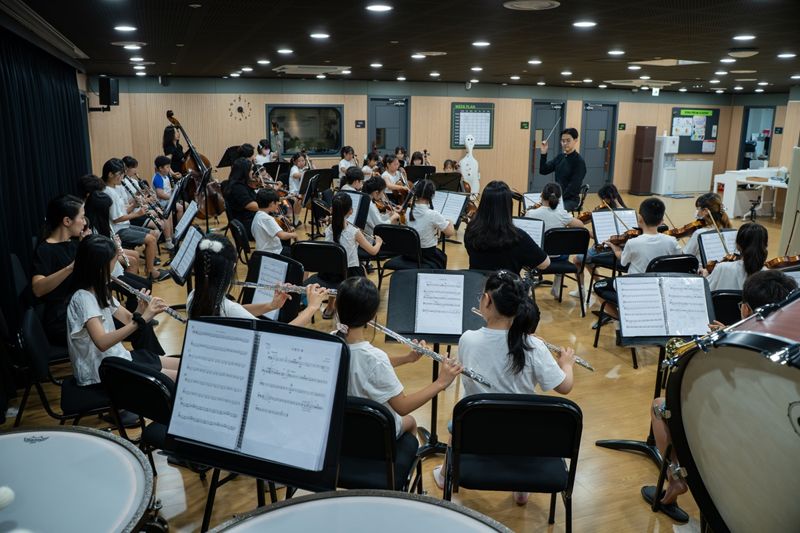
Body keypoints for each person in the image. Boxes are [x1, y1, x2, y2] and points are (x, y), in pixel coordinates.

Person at [645, 269, 798, 522]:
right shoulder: (789, 342)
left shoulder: (729, 350)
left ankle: (675, 476)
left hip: (732, 424)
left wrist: (721, 342)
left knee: (659, 405)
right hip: (772, 425)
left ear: (746, 310)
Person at [431, 270, 575, 504]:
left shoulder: (468, 339)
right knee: (513, 422)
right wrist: (566, 364)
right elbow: (565, 387)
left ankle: (444, 475)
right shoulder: (534, 346)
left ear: (487, 300)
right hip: (525, 434)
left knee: (456, 423)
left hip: (477, 431)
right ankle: (521, 484)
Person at [335, 276, 462, 438]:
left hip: (342, 427)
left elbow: (368, 366)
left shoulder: (332, 340)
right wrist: (441, 382)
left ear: (337, 306)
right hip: (373, 432)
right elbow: (402, 407)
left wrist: (407, 358)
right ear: (373, 315)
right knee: (411, 422)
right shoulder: (375, 358)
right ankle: (396, 455)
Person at [66, 235, 180, 387]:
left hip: (118, 357)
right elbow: (102, 342)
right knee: (180, 380)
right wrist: (141, 320)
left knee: (184, 366)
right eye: (114, 264)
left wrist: (140, 310)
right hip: (100, 373)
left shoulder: (99, 290)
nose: (116, 270)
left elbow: (128, 319)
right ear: (100, 268)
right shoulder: (83, 298)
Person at [186, 234, 325, 326]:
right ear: (230, 269)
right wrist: (312, 307)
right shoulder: (228, 308)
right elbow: (277, 337)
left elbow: (238, 312)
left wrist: (271, 306)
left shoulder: (194, 296)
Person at [32, 195, 91, 346]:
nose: (85, 223)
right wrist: (70, 267)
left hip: (79, 308)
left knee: (135, 324)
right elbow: (38, 289)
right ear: (67, 221)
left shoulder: (74, 244)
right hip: (61, 318)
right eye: (82, 217)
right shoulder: (45, 249)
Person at [101, 158, 169, 282]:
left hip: (124, 225)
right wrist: (137, 214)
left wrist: (134, 205)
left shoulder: (114, 188)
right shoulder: (108, 192)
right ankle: (151, 272)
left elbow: (122, 210)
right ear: (110, 174)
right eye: (120, 174)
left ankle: (149, 266)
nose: (122, 177)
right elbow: (116, 219)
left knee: (154, 234)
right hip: (118, 230)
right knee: (151, 239)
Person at [464, 180, 549, 273]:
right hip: (507, 282)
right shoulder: (518, 236)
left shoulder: (471, 230)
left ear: (483, 204)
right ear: (508, 205)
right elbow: (545, 264)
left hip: (476, 281)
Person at [322, 192, 383, 319]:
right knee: (363, 270)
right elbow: (373, 251)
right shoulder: (354, 232)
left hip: (330, 272)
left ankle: (330, 307)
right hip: (350, 272)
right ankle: (357, 306)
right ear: (351, 211)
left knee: (336, 274)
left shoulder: (328, 229)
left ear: (332, 210)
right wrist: (378, 242)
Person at [606, 198, 681, 274]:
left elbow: (623, 261)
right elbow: (679, 259)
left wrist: (616, 249)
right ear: (661, 222)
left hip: (637, 280)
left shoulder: (632, 243)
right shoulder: (672, 241)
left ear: (639, 218)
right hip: (661, 280)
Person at [701, 222, 768, 291]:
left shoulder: (722, 268)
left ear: (738, 246)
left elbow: (705, 291)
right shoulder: (768, 276)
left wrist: (705, 276)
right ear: (765, 246)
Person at [406, 179, 455, 269]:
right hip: (426, 254)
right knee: (442, 257)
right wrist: (450, 221)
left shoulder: (408, 211)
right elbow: (450, 232)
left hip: (409, 253)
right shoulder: (433, 214)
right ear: (432, 195)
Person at [538, 128, 586, 212]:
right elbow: (543, 170)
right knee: (538, 208)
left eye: (568, 140)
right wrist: (543, 153)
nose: (565, 143)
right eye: (563, 141)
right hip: (557, 197)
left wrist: (555, 200)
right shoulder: (560, 157)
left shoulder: (579, 162)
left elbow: (573, 188)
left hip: (570, 200)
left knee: (551, 211)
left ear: (575, 140)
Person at [681, 192, 733, 259]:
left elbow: (685, 256)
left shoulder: (699, 233)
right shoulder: (728, 228)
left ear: (705, 211)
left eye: (698, 208)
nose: (696, 211)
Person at [252, 189, 297, 256]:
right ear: (272, 203)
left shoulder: (258, 215)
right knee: (299, 253)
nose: (278, 205)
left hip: (265, 251)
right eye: (277, 203)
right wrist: (293, 234)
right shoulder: (267, 219)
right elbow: (282, 236)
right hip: (273, 253)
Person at [224, 157, 258, 240]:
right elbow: (251, 206)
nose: (253, 172)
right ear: (244, 171)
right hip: (247, 226)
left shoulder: (241, 184)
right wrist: (267, 205)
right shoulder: (237, 187)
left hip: (250, 221)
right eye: (251, 170)